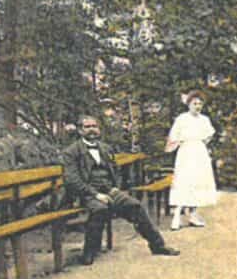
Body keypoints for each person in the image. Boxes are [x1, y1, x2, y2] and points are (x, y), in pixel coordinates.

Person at [62, 115, 179, 265]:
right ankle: (89, 252)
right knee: (99, 209)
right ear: (80, 130)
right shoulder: (71, 152)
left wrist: (115, 187)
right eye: (87, 127)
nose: (92, 130)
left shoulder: (105, 148)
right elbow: (72, 180)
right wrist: (96, 194)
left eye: (94, 126)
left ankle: (158, 246)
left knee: (135, 206)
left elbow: (115, 170)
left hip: (109, 190)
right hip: (86, 193)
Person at [166, 90, 218, 231]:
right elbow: (173, 137)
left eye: (200, 104)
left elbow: (209, 136)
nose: (197, 106)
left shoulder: (204, 120)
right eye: (195, 103)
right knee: (184, 181)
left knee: (198, 181)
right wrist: (183, 143)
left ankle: (193, 214)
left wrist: (200, 144)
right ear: (188, 104)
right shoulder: (182, 119)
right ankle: (177, 214)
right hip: (186, 153)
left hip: (199, 152)